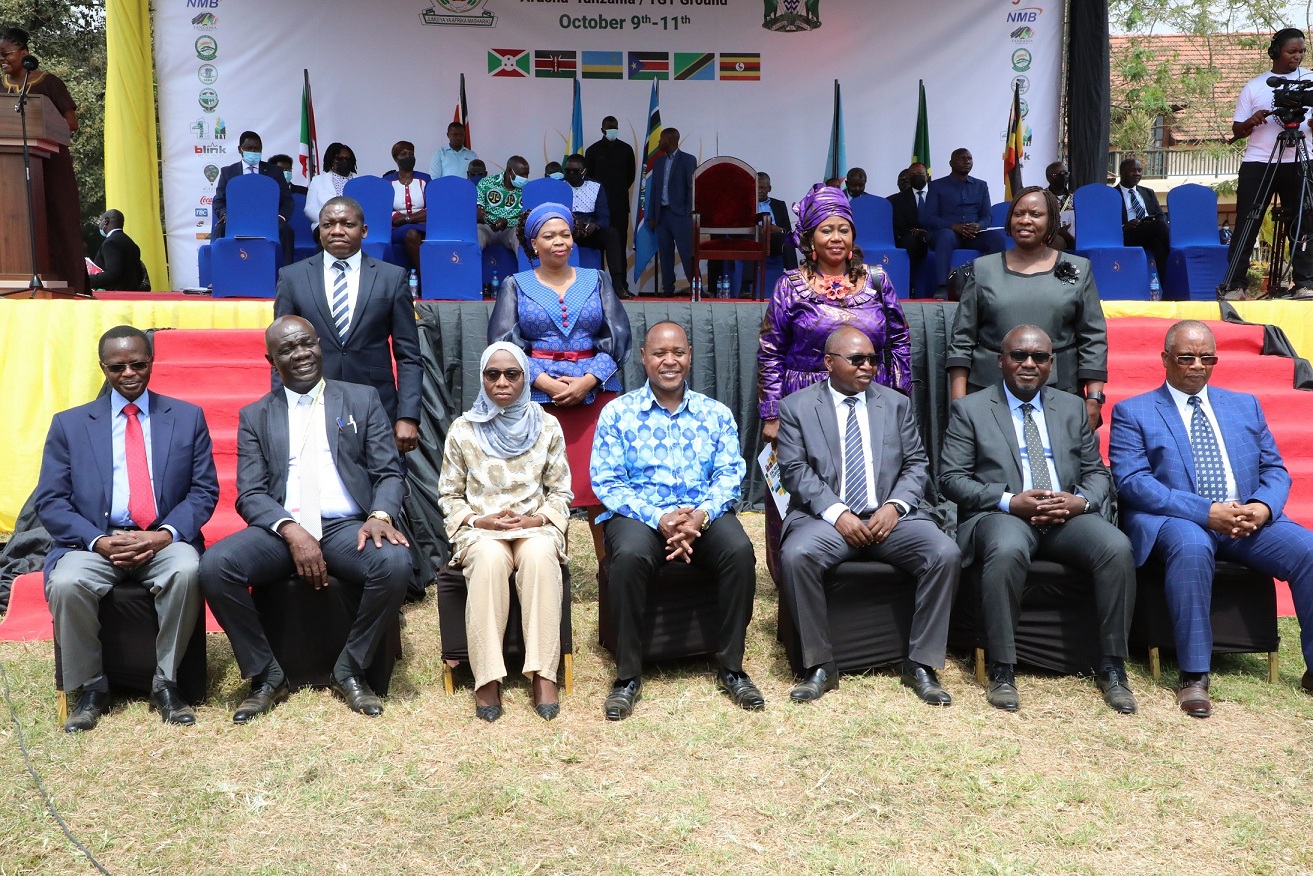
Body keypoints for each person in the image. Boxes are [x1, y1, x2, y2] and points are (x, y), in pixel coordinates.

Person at [199, 316, 412, 722]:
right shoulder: (257, 415)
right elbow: (251, 493)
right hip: (283, 530)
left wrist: (380, 513)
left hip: (346, 526)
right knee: (214, 567)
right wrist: (290, 529)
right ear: (270, 360)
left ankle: (350, 667)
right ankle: (266, 674)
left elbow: (388, 472)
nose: (300, 355)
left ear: (320, 344)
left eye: (306, 344)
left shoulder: (361, 399)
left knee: (395, 562)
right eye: (287, 350)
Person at [1109, 320, 1313, 717]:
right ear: (1166, 359)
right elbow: (1133, 483)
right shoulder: (1134, 411)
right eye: (1186, 357)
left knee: (1308, 550)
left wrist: (1263, 506)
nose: (1197, 366)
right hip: (1177, 519)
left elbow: (1275, 469)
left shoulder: (1244, 405)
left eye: (1207, 358)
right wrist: (1207, 513)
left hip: (1244, 517)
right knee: (1192, 544)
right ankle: (1194, 676)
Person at [939, 325, 1138, 714]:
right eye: (1019, 356)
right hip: (1003, 514)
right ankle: (1002, 667)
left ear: (1052, 364)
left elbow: (1097, 472)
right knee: (1007, 547)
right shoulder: (971, 409)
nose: (1029, 364)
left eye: (1040, 357)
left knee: (1116, 547)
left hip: (1066, 515)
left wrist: (1079, 502)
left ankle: (1113, 667)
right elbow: (950, 479)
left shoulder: (1072, 407)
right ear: (1001, 361)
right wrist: (1010, 501)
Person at [35, 326, 219, 731]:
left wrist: (164, 535)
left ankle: (167, 682)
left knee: (187, 570)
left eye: (138, 364)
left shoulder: (187, 418)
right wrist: (98, 540)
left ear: (151, 362)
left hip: (161, 538)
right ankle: (92, 686)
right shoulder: (70, 424)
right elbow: (50, 500)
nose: (129, 373)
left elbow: (204, 491)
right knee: (67, 583)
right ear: (103, 368)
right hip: (94, 541)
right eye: (118, 367)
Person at [776, 326, 961, 705]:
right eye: (857, 360)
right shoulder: (796, 407)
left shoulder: (896, 404)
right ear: (828, 362)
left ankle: (920, 662)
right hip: (825, 520)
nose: (868, 367)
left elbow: (916, 464)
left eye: (873, 360)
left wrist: (895, 507)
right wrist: (837, 512)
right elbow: (795, 471)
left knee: (944, 553)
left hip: (890, 519)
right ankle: (821, 665)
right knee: (797, 556)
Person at [590, 321, 762, 720]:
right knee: (630, 557)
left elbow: (730, 474)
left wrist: (700, 516)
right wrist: (660, 518)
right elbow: (607, 481)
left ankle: (732, 667)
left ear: (690, 356)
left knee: (738, 551)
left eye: (678, 353)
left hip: (701, 511)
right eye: (659, 353)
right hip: (641, 514)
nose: (670, 361)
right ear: (644, 358)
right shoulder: (618, 413)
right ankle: (628, 676)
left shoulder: (714, 413)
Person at [438, 342, 571, 722]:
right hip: (482, 529)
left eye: (511, 374)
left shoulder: (547, 425)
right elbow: (449, 494)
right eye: (491, 374)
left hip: (534, 527)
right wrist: (481, 522)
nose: (501, 382)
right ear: (481, 378)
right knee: (489, 558)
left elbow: (561, 491)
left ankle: (544, 675)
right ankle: (487, 679)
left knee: (540, 556)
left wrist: (534, 521)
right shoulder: (463, 429)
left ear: (525, 378)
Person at [488, 202, 631, 559]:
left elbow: (618, 335)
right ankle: (554, 567)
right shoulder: (515, 285)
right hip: (539, 403)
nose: (559, 242)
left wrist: (589, 379)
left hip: (595, 398)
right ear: (533, 243)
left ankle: (609, 570)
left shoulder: (596, 279)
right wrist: (544, 382)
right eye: (549, 236)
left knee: (601, 486)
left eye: (565, 234)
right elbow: (503, 345)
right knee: (546, 487)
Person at [947, 186, 1108, 435]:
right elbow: (962, 338)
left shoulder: (1079, 269)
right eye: (1018, 213)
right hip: (989, 392)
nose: (1025, 220)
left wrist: (1094, 397)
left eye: (1035, 214)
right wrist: (959, 400)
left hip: (1060, 392)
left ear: (1051, 221)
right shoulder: (983, 269)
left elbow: (1093, 338)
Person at [274, 196, 421, 457]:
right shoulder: (292, 277)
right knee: (313, 489)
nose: (337, 230)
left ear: (363, 231)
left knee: (380, 488)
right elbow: (280, 353)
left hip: (376, 406)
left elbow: (408, 355)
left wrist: (408, 416)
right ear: (318, 231)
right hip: (311, 403)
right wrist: (280, 407)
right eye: (328, 224)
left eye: (347, 224)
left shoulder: (392, 277)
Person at [1222, 28, 1313, 300]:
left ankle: (1304, 283)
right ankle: (1234, 285)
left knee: (1304, 223)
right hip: (1259, 162)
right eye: (1291, 51)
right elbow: (1237, 130)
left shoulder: (1311, 80)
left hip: (1301, 159)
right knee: (1249, 222)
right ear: (1276, 52)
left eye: (1301, 51)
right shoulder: (1255, 86)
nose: (1297, 57)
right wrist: (1252, 121)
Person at [0, 27, 87, 295]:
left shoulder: (50, 83)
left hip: (51, 164)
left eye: (6, 54)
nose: (1, 59)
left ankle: (72, 284)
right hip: (10, 170)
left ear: (24, 53)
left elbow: (70, 123)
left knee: (58, 219)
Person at [924, 147, 1007, 295]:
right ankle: (942, 286)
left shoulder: (981, 185)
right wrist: (953, 226)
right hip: (949, 234)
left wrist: (978, 226)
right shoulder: (937, 186)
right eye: (962, 158)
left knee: (996, 238)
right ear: (951, 163)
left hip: (973, 235)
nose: (967, 161)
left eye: (969, 158)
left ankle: (994, 285)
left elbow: (987, 216)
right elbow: (929, 218)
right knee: (945, 236)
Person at [212, 130, 296, 265]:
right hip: (237, 221)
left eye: (257, 149)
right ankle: (218, 275)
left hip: (268, 222)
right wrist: (225, 214)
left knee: (286, 231)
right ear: (240, 149)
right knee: (220, 229)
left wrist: (280, 217)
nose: (253, 151)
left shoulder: (275, 172)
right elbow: (219, 200)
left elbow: (287, 200)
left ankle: (287, 276)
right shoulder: (228, 172)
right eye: (249, 148)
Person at [563, 153, 632, 297]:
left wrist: (594, 226)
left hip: (590, 231)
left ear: (584, 172)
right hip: (566, 231)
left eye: (575, 171)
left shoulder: (595, 187)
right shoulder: (560, 187)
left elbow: (604, 217)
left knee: (611, 234)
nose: (571, 174)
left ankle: (618, 285)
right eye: (568, 171)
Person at [647, 127, 696, 297]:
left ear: (671, 140)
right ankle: (668, 288)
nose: (659, 142)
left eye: (661, 139)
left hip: (680, 215)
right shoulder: (659, 162)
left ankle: (695, 287)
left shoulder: (688, 159)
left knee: (687, 252)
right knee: (665, 254)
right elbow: (653, 190)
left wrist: (688, 212)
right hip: (662, 215)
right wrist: (652, 215)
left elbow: (692, 188)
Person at [583, 115, 637, 244]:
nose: (613, 130)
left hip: (620, 206)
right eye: (610, 128)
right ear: (602, 130)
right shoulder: (592, 151)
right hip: (598, 206)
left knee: (620, 241)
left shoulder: (626, 149)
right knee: (597, 243)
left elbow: (631, 176)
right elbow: (588, 178)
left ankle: (620, 265)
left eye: (615, 128)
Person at [1114, 158, 1169, 282]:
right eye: (1133, 170)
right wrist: (1123, 226)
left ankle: (1168, 289)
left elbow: (1160, 215)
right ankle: (1175, 247)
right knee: (1159, 225)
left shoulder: (1148, 192)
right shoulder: (1112, 194)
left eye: (1139, 170)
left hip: (1150, 232)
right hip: (1127, 234)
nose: (1137, 174)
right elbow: (1105, 222)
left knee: (1159, 243)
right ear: (1122, 172)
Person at [382, 140, 430, 274]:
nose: (408, 156)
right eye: (404, 154)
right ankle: (424, 277)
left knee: (415, 233)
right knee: (411, 234)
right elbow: (384, 211)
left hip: (424, 225)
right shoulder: (386, 182)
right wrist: (405, 219)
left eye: (411, 153)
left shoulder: (425, 179)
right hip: (396, 228)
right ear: (395, 158)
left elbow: (433, 208)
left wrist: (408, 218)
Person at [887, 163, 931, 281]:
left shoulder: (938, 193)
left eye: (920, 174)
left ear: (927, 175)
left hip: (934, 232)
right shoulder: (899, 199)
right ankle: (909, 283)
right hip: (912, 236)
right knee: (908, 242)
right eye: (913, 175)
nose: (917, 176)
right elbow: (899, 224)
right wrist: (917, 232)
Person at [477, 156, 529, 252]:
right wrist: (478, 213)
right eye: (522, 175)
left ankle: (527, 267)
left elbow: (526, 219)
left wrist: (507, 223)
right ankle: (471, 267)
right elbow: (478, 207)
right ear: (509, 170)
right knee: (477, 234)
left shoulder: (527, 189)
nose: (525, 178)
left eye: (527, 174)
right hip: (487, 228)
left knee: (521, 237)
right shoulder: (486, 183)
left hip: (510, 230)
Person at [305, 143, 357, 233]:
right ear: (331, 160)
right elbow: (309, 209)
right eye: (339, 159)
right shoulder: (318, 181)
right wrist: (330, 219)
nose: (344, 161)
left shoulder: (360, 181)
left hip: (354, 225)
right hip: (326, 224)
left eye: (348, 159)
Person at [90, 210, 146, 292]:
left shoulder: (110, 243)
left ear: (106, 221)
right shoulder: (131, 243)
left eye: (100, 221)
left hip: (114, 296)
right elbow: (139, 273)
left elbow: (113, 273)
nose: (100, 225)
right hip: (132, 295)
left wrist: (89, 279)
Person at [757, 171, 797, 271]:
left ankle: (793, 275)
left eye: (763, 188)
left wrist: (779, 230)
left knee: (788, 240)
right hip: (756, 237)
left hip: (775, 237)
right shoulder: (746, 204)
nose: (759, 191)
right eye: (756, 187)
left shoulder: (779, 205)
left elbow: (787, 230)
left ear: (769, 189)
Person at [1045, 161, 1075, 251]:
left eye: (1066, 173)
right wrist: (1057, 232)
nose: (1063, 176)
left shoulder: (1075, 197)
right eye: (1058, 174)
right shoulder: (1042, 197)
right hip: (1051, 238)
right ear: (1049, 177)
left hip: (1074, 238)